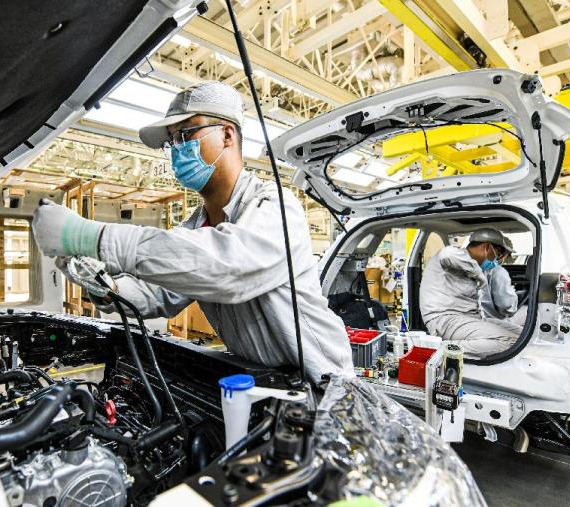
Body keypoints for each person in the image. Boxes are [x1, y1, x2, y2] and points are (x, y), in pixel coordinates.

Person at [32, 81, 351, 382]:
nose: (175, 149)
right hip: (262, 381)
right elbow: (152, 297)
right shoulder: (196, 225)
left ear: (228, 135)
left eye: (185, 134)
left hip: (322, 383)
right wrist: (96, 280)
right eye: (172, 141)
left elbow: (226, 268)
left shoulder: (275, 205)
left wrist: (89, 237)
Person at [419, 228, 522, 357]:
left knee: (522, 336)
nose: (498, 260)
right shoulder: (456, 255)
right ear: (486, 247)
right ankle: (441, 348)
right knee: (511, 342)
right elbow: (447, 254)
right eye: (498, 254)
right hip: (445, 320)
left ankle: (459, 346)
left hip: (469, 319)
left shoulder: (479, 266)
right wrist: (478, 274)